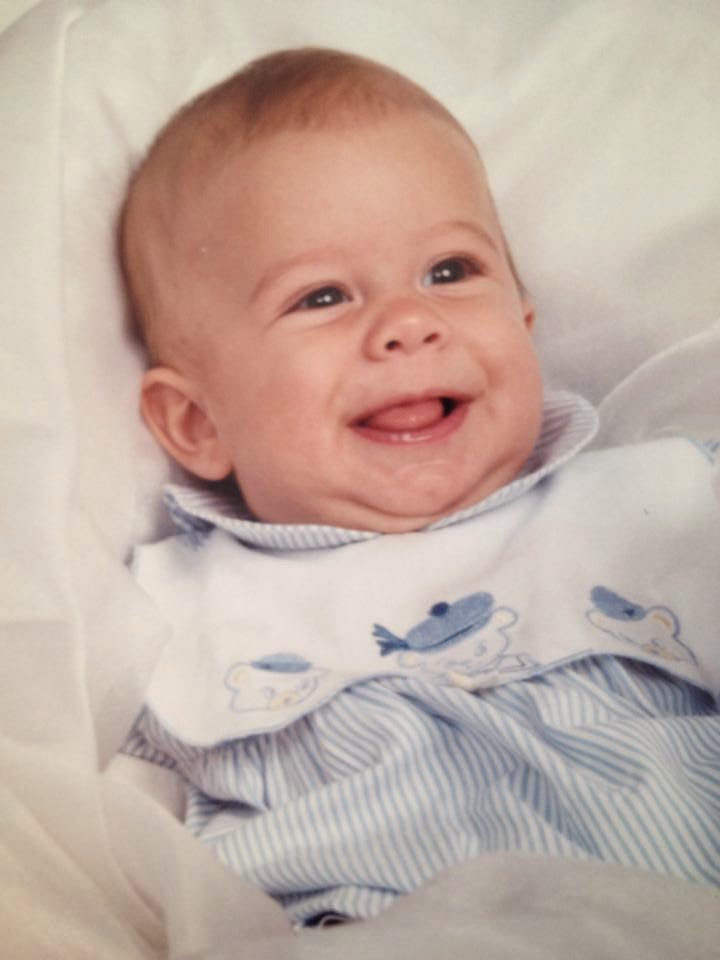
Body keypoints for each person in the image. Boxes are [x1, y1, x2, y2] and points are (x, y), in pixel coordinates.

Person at [120, 47, 720, 927]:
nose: (409, 322)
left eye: (450, 272)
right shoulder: (168, 613)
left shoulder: (658, 501)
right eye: (322, 296)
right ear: (197, 423)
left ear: (524, 327)